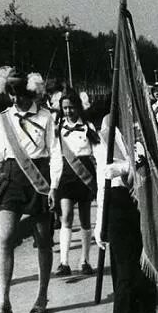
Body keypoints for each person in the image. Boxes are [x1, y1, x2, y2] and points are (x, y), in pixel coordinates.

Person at [0, 67, 62, 313]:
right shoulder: (4, 118)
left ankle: (41, 296)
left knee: (43, 240)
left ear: (31, 93)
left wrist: (54, 186)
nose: (15, 99)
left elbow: (56, 153)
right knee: (5, 239)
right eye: (11, 93)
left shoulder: (47, 118)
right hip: (11, 179)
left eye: (19, 94)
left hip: (39, 179)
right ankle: (3, 301)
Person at [94, 116, 157, 313]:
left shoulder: (145, 132)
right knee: (125, 276)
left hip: (145, 201)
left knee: (145, 275)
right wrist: (100, 223)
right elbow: (102, 184)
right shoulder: (105, 139)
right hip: (118, 204)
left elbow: (156, 168)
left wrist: (125, 168)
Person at [53, 88, 99, 276]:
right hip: (65, 173)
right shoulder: (57, 128)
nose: (68, 112)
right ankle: (64, 262)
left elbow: (98, 151)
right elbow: (55, 154)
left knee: (86, 218)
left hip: (85, 173)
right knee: (66, 216)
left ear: (78, 108)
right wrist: (54, 183)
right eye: (64, 108)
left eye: (71, 108)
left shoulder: (88, 126)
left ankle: (85, 260)